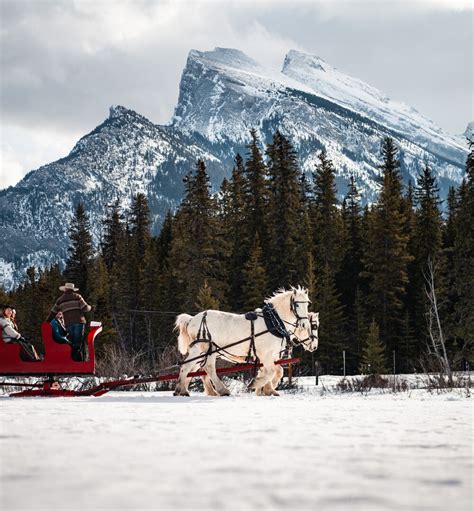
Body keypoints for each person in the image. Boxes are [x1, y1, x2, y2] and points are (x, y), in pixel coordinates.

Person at [47, 283, 92, 361]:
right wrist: (90, 307)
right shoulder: (77, 297)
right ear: (72, 289)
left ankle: (72, 361)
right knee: (78, 343)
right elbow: (85, 308)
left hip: (68, 323)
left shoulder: (59, 300)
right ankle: (78, 362)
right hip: (79, 322)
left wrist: (47, 322)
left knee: (72, 343)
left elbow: (53, 312)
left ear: (65, 289)